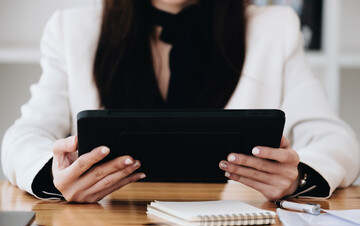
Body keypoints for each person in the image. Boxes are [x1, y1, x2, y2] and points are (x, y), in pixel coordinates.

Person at [1, 0, 359, 203]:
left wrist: (298, 178)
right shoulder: (72, 29)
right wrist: (54, 178)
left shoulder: (275, 28)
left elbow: (334, 139)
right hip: (104, 224)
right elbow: (23, 136)